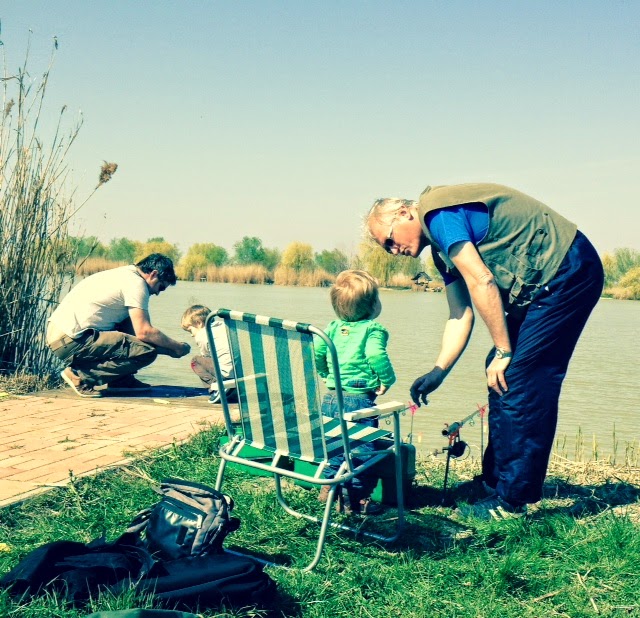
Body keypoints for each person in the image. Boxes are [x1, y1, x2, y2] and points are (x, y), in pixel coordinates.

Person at [366, 183, 604, 520]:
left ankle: (512, 502)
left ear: (405, 213)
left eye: (390, 240)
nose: (393, 251)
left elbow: (483, 281)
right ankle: (495, 483)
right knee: (500, 371)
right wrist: (438, 371)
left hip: (569, 270)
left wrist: (505, 350)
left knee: (521, 378)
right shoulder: (441, 252)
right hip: (545, 284)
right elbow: (460, 314)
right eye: (386, 248)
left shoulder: (439, 215)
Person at [46, 253, 191, 398]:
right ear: (153, 274)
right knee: (147, 353)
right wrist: (177, 347)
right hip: (72, 340)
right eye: (161, 287)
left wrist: (168, 350)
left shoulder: (124, 273)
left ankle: (120, 380)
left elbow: (135, 336)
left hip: (61, 337)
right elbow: (144, 332)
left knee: (131, 329)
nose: (157, 293)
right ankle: (80, 376)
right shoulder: (137, 284)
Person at [314, 269, 396, 515]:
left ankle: (329, 487)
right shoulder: (373, 329)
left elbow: (317, 351)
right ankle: (356, 499)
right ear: (373, 306)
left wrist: (325, 374)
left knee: (334, 446)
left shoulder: (330, 328)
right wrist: (387, 379)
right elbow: (375, 354)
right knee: (362, 451)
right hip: (359, 402)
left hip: (330, 399)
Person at [181, 304, 235, 404]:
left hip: (226, 374)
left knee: (196, 361)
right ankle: (232, 390)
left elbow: (207, 356)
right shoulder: (225, 327)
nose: (192, 335)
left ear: (199, 323)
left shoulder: (202, 334)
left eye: (190, 330)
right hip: (241, 371)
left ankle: (217, 387)